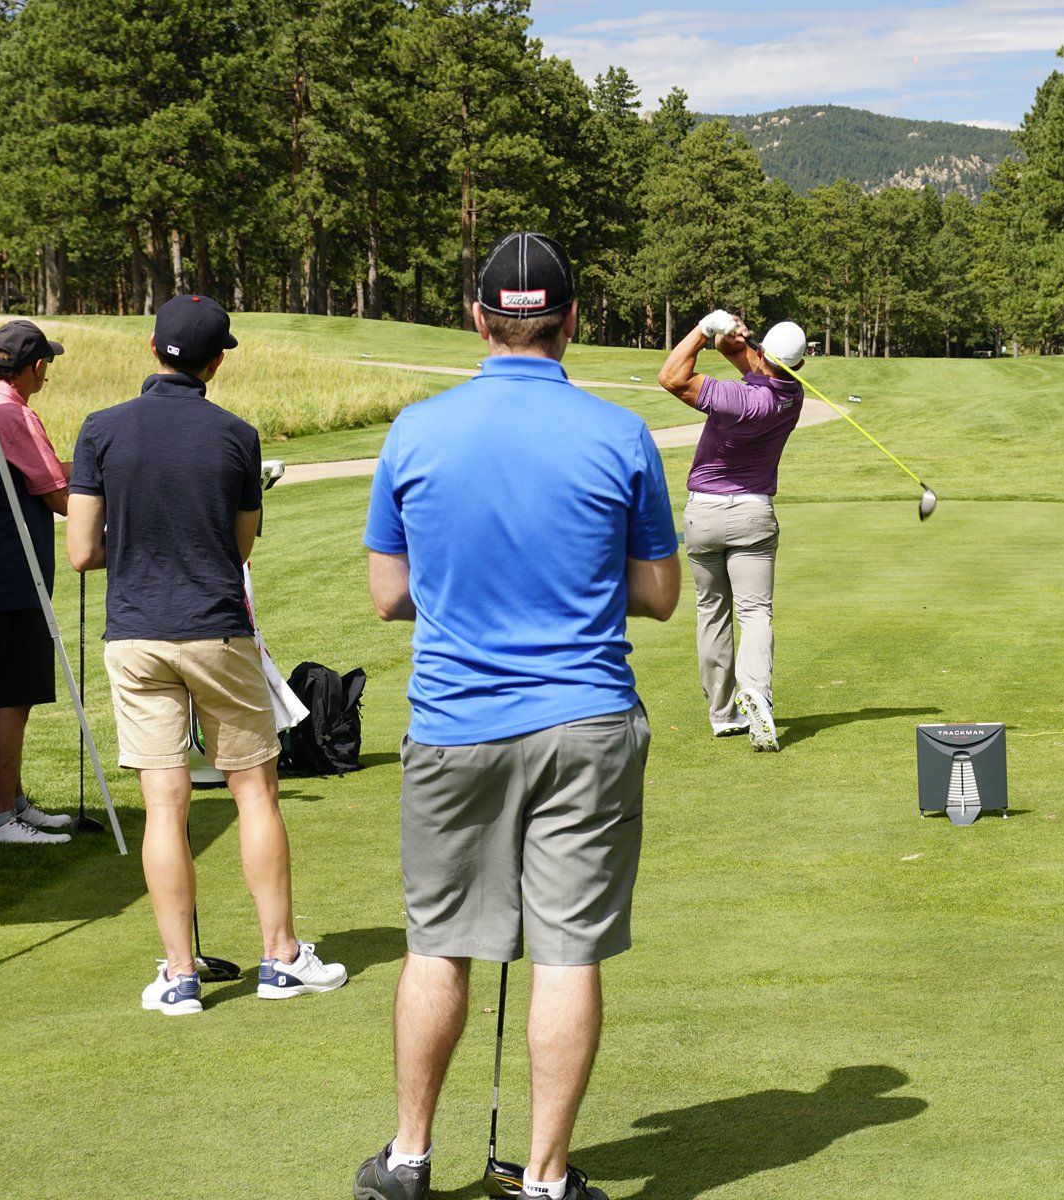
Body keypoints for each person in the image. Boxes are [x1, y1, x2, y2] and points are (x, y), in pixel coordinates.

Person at [356, 232, 679, 1200]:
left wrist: (469, 592)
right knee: (568, 951)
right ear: (573, 319)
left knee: (438, 942)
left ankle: (409, 1158)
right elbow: (659, 593)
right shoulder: (619, 433)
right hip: (586, 719)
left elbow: (387, 593)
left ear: (477, 318)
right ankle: (542, 1178)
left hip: (456, 722)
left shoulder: (416, 429)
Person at [67, 294, 345, 1016]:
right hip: (214, 625)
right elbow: (241, 544)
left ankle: (181, 974)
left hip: (135, 633)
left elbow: (81, 551)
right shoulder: (235, 435)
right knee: (254, 790)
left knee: (165, 804)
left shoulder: (100, 430)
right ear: (215, 359)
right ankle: (280, 958)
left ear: (154, 349)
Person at [656, 311, 807, 752]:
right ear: (798, 366)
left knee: (712, 612)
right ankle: (756, 694)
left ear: (764, 354)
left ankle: (723, 715)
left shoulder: (737, 399)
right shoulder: (790, 394)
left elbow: (670, 376)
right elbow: (738, 355)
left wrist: (705, 330)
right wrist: (729, 335)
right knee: (755, 612)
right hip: (754, 516)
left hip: (704, 515)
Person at [0, 319, 78, 844]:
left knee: (12, 694)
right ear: (35, 366)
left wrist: (97, 467)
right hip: (11, 575)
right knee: (14, 696)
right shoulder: (14, 416)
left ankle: (15, 802)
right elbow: (58, 497)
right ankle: (1, 818)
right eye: (45, 362)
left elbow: (37, 476)